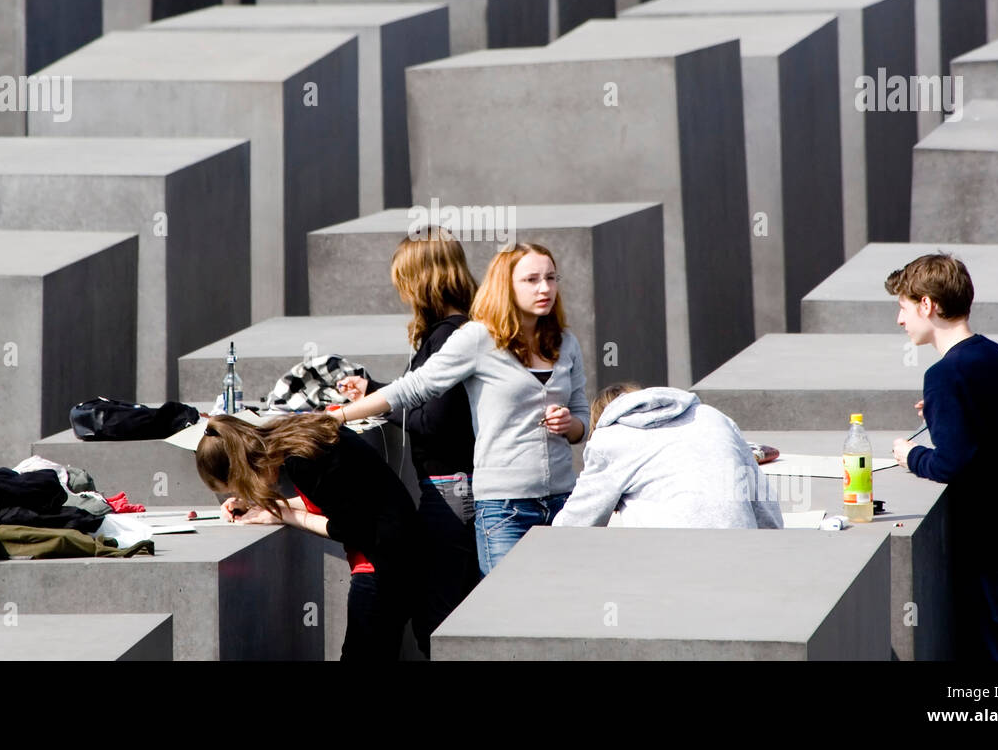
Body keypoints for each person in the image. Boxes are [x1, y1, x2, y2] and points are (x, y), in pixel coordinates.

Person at [335, 242, 589, 575]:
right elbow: (414, 387)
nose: (545, 288)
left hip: (563, 502)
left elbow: (582, 416)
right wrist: (335, 417)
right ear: (505, 286)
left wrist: (571, 425)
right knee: (506, 615)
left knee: (559, 609)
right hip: (504, 508)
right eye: (531, 280)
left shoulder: (566, 342)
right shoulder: (478, 338)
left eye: (551, 278)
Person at [887, 252, 998, 661]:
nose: (900, 320)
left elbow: (952, 462)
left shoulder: (945, 374)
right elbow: (992, 430)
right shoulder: (994, 356)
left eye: (903, 307)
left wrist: (909, 455)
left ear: (927, 305)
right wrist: (940, 411)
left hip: (996, 557)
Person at [336, 226, 480, 657]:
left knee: (438, 616)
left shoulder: (448, 338)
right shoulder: (465, 329)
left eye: (404, 282)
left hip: (450, 488)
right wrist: (377, 392)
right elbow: (428, 402)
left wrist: (375, 406)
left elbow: (433, 421)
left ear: (423, 280)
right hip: (456, 486)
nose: (403, 294)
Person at [196, 412, 420, 661]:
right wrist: (268, 506)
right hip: (401, 551)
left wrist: (280, 515)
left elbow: (347, 527)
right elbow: (332, 498)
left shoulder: (300, 462)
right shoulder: (299, 437)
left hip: (382, 562)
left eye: (241, 485)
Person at [552, 383, 783, 529]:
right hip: (741, 549)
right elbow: (763, 505)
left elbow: (576, 524)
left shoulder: (610, 440)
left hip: (670, 560)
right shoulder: (713, 417)